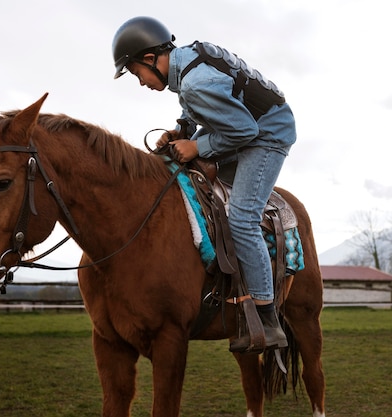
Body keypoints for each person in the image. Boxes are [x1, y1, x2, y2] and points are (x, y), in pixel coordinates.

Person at [112, 16, 294, 353]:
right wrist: (182, 131)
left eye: (137, 73)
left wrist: (196, 147)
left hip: (266, 136)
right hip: (246, 129)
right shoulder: (188, 63)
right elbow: (195, 108)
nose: (140, 82)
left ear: (152, 59)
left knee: (241, 217)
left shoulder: (196, 83)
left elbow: (244, 132)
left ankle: (267, 318)